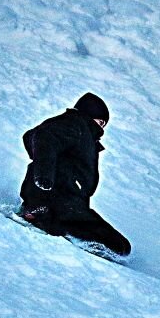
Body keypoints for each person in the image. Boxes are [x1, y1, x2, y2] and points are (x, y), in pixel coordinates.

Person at [18, 93, 132, 258]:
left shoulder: (79, 132)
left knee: (120, 246)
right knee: (119, 246)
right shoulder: (77, 125)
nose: (101, 129)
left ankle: (41, 214)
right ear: (89, 115)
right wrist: (43, 175)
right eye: (100, 123)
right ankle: (39, 212)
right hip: (59, 199)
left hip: (68, 203)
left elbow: (33, 136)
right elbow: (44, 136)